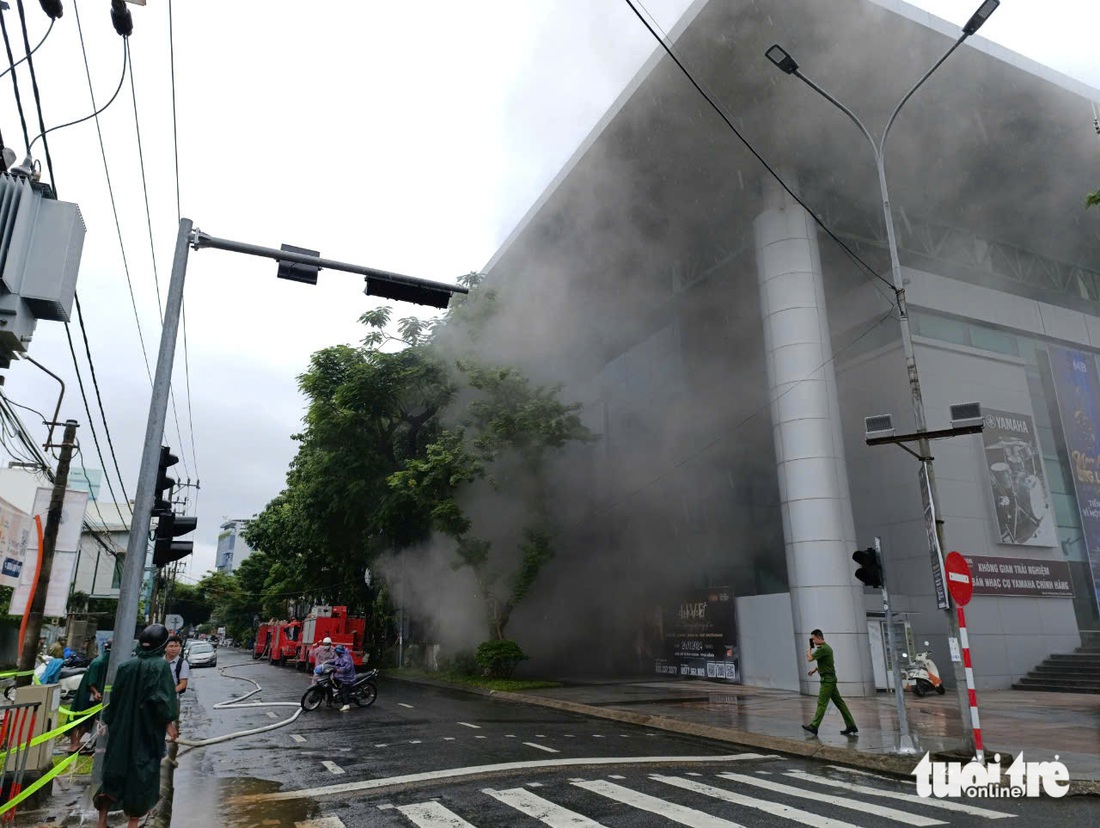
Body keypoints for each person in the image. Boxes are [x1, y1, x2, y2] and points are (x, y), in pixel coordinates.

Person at [94, 623, 179, 828]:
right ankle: (133, 824)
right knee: (143, 775)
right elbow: (163, 699)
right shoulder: (160, 667)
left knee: (114, 771)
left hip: (121, 729)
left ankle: (101, 821)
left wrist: (108, 720)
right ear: (162, 646)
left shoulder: (125, 666)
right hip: (147, 730)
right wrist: (170, 724)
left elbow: (114, 699)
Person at [802, 629, 858, 737]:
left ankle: (814, 726)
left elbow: (810, 658)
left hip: (827, 681)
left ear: (819, 638)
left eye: (813, 639)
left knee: (822, 703)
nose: (812, 641)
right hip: (830, 678)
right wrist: (815, 670)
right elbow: (826, 663)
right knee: (840, 703)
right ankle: (851, 725)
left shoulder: (823, 649)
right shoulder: (825, 648)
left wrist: (808, 649)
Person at [68, 639, 110, 753]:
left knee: (88, 720)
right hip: (86, 695)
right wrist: (95, 692)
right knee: (79, 719)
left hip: (93, 695)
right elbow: (91, 682)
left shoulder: (105, 661)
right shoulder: (99, 662)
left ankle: (77, 742)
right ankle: (74, 744)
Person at [331, 644, 356, 712]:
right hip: (341, 676)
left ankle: (346, 705)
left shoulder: (346, 657)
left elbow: (348, 667)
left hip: (347, 677)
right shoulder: (339, 656)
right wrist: (324, 664)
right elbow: (333, 661)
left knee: (345, 690)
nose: (336, 653)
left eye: (337, 652)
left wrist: (340, 670)